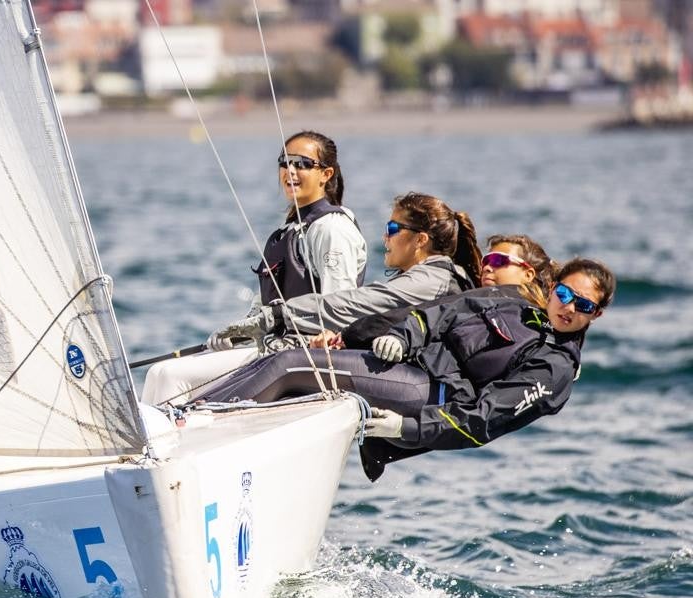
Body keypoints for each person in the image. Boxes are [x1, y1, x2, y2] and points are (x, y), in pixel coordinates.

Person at [198, 258, 616, 480]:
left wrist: (407, 429)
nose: (568, 307)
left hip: (428, 395)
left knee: (291, 365)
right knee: (281, 366)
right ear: (554, 285)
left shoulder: (554, 367)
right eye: (565, 293)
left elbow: (485, 420)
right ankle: (194, 420)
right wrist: (402, 337)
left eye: (583, 306)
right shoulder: (513, 302)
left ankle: (192, 427)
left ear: (595, 316)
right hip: (406, 362)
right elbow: (441, 314)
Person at [139, 130, 365, 405]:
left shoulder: (331, 229)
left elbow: (339, 309)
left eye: (302, 163)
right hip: (271, 349)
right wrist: (239, 332)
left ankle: (159, 446)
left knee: (168, 376)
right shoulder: (292, 229)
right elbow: (265, 309)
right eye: (285, 162)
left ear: (326, 174)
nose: (290, 170)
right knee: (158, 373)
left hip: (300, 359)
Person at [315, 233, 553, 351]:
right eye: (486, 260)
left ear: (528, 274)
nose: (488, 266)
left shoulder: (502, 302)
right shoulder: (502, 306)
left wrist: (347, 337)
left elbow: (423, 314)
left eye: (500, 261)